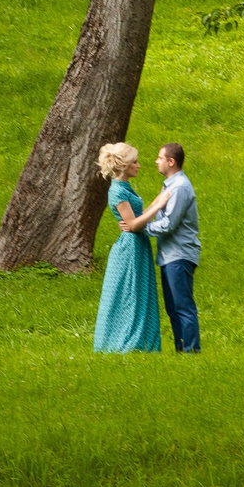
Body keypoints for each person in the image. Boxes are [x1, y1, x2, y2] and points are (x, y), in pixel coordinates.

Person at [92, 142, 162, 354]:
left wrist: (161, 198)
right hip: (129, 249)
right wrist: (159, 206)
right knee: (128, 294)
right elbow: (132, 225)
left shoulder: (125, 187)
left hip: (137, 245)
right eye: (135, 162)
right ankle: (123, 343)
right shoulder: (117, 192)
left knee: (138, 292)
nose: (139, 165)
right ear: (123, 165)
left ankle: (139, 342)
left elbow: (136, 219)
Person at [144, 142, 200, 353]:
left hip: (180, 255)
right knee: (173, 308)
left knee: (183, 306)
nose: (156, 161)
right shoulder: (170, 185)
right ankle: (181, 349)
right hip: (169, 256)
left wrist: (141, 227)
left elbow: (169, 223)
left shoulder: (180, 188)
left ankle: (191, 351)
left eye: (160, 158)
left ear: (171, 161)